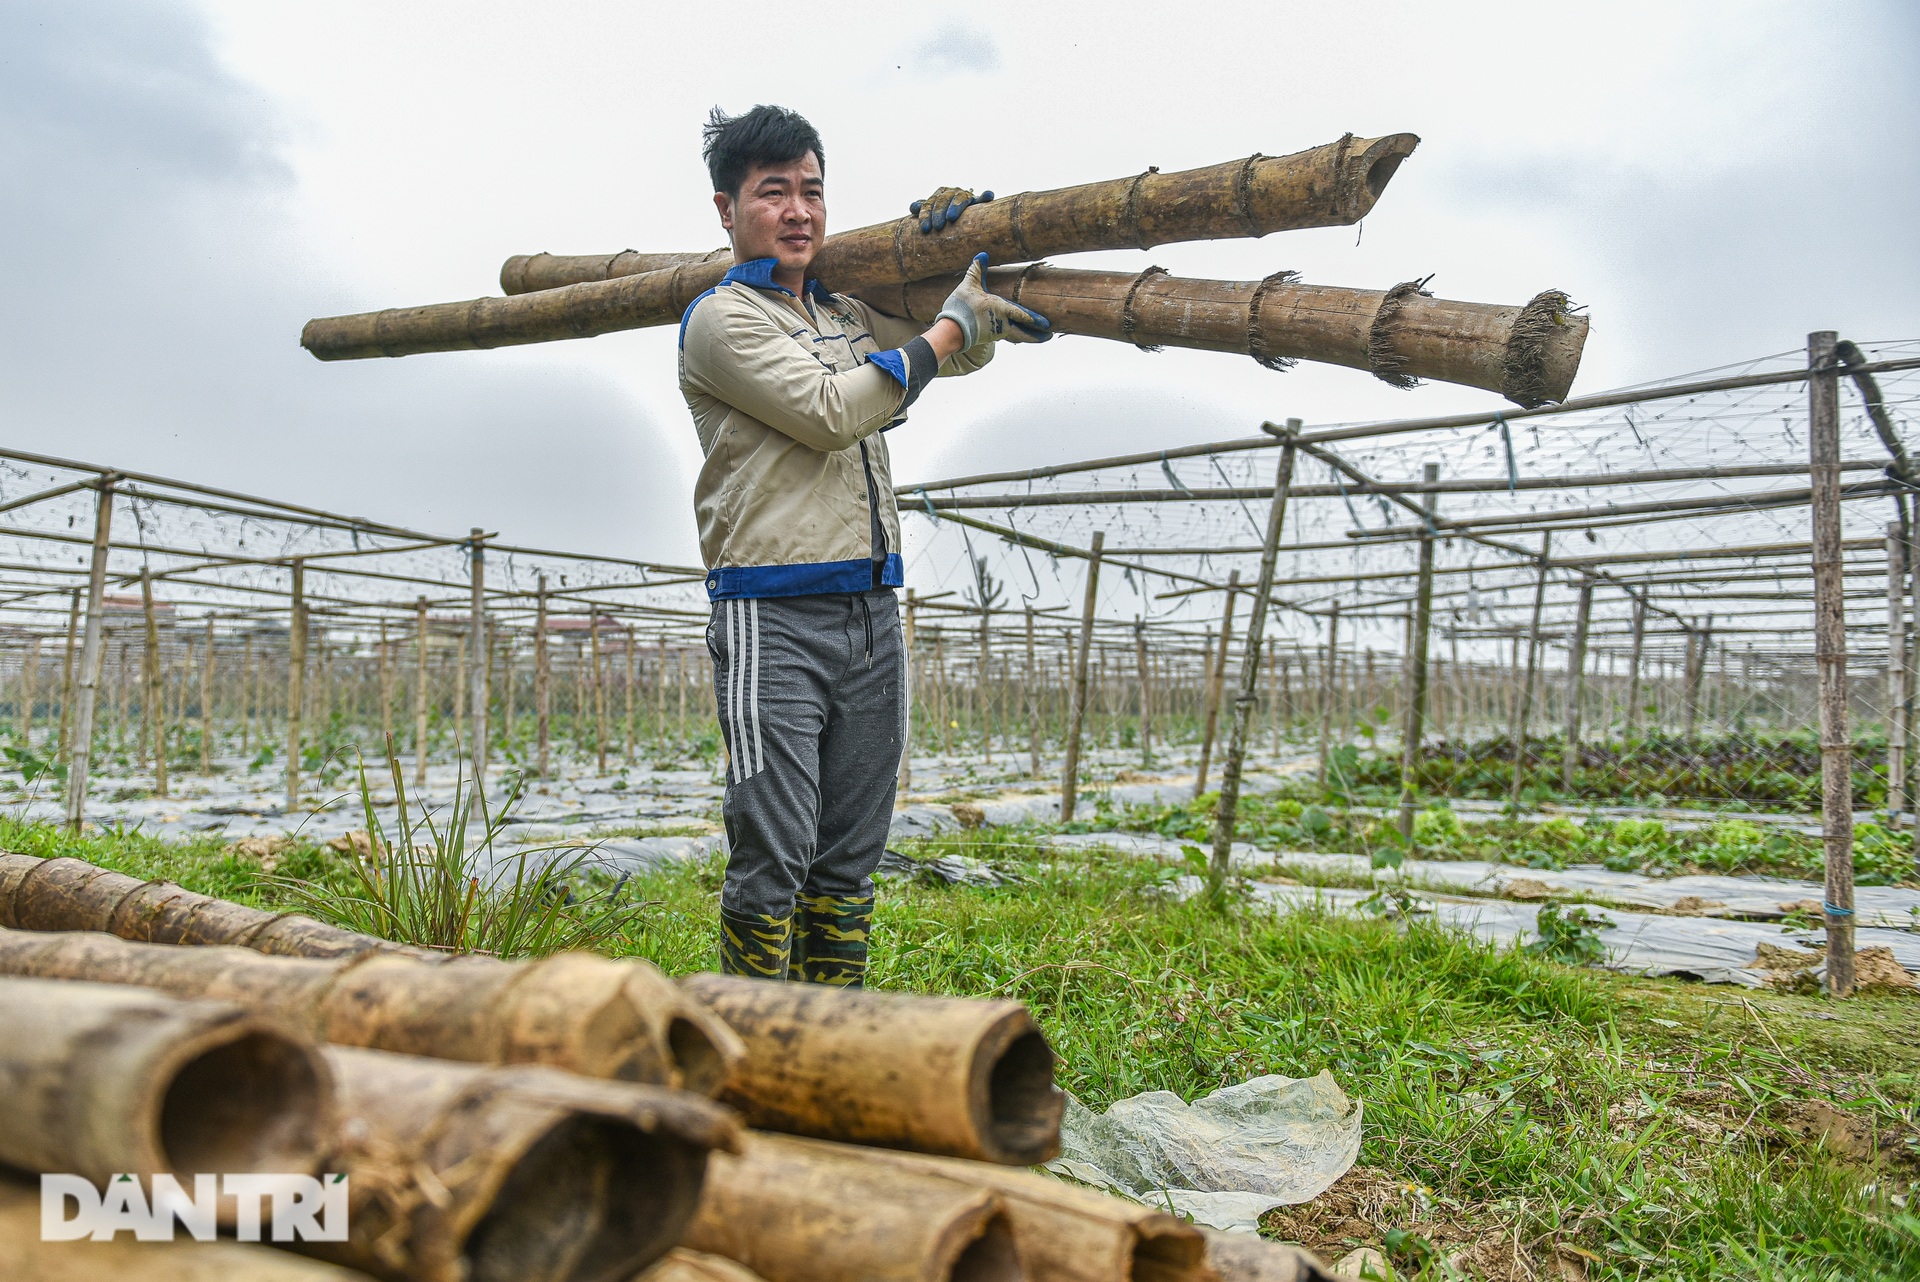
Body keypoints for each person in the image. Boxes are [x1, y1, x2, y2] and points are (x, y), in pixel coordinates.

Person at [680, 104, 1049, 985]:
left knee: (849, 854)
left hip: (871, 611)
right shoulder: (722, 322)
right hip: (773, 613)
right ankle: (751, 1042)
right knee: (773, 851)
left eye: (813, 191)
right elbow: (830, 411)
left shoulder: (842, 313)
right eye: (775, 193)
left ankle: (834, 1034)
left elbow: (951, 349)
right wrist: (948, 327)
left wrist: (951, 245)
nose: (800, 211)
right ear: (727, 211)